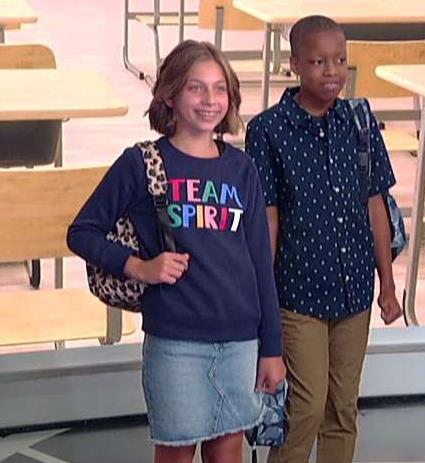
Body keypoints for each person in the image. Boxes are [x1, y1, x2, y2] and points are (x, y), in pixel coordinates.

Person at [67, 40, 285, 463]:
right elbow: (82, 232)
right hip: (175, 342)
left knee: (227, 452)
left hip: (240, 341)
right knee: (176, 452)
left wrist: (271, 347)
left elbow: (261, 263)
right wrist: (138, 267)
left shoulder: (241, 168)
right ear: (170, 94)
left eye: (219, 88)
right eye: (195, 88)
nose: (209, 100)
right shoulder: (141, 163)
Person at [244, 15, 402, 463]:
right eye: (318, 61)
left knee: (342, 408)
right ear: (294, 63)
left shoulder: (360, 122)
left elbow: (376, 204)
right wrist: (263, 298)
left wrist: (388, 284)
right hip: (297, 296)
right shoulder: (268, 130)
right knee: (306, 407)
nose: (332, 71)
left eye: (340, 60)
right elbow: (268, 219)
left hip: (355, 292)